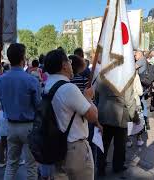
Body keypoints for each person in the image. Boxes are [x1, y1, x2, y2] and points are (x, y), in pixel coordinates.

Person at [43, 49, 103, 179]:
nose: (71, 65)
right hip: (74, 148)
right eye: (69, 61)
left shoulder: (47, 85)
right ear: (64, 65)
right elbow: (93, 116)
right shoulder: (68, 88)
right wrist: (87, 98)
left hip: (55, 145)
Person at [0, 43, 41, 180]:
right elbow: (38, 105)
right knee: (31, 166)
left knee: (11, 163)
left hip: (11, 125)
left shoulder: (1, 79)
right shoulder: (31, 80)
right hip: (28, 126)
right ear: (23, 58)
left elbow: (1, 102)